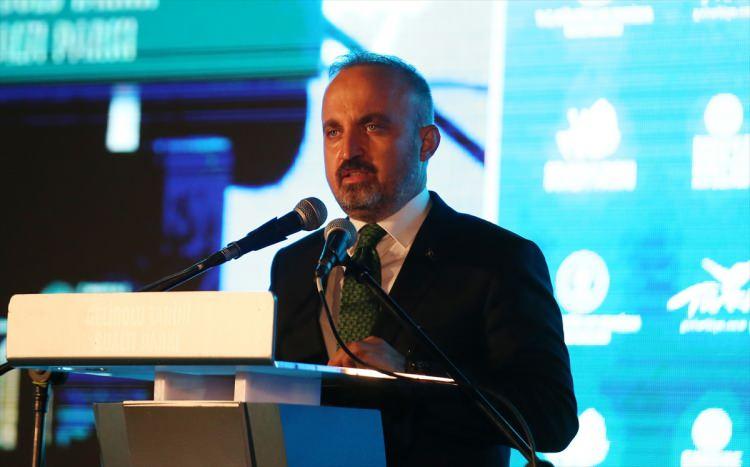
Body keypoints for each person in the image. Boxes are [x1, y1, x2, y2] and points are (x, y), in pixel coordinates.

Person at [269, 52, 577, 467]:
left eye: (373, 126)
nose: (348, 150)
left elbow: (552, 417)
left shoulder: (497, 259)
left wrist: (413, 374)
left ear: (426, 143)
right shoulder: (293, 265)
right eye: (333, 131)